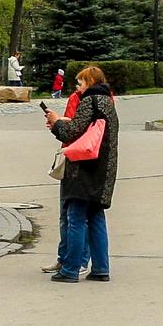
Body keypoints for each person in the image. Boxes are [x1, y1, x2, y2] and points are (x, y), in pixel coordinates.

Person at [43, 65, 118, 283]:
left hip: (84, 169)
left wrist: (56, 122)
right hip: (103, 170)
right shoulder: (108, 104)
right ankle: (101, 268)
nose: (78, 87)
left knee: (75, 217)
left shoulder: (90, 102)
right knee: (95, 218)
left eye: (81, 82)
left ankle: (71, 269)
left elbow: (72, 132)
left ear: (91, 83)